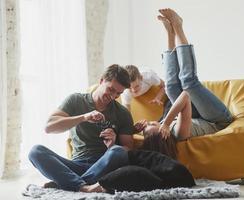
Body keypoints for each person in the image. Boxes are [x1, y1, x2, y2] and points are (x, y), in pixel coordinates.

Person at [139, 8, 233, 158]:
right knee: (189, 83)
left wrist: (137, 128)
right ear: (162, 135)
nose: (149, 123)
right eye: (151, 126)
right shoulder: (178, 133)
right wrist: (166, 123)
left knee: (170, 88)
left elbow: (179, 98)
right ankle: (178, 26)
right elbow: (185, 96)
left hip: (199, 116)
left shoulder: (166, 125)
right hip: (217, 120)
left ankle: (170, 34)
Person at [28, 64, 136, 193]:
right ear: (101, 80)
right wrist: (83, 117)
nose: (113, 96)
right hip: (76, 165)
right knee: (35, 151)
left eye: (118, 93)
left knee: (118, 151)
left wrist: (112, 145)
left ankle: (69, 183)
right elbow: (49, 127)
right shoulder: (76, 100)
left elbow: (128, 148)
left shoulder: (122, 113)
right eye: (111, 90)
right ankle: (84, 186)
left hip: (104, 164)